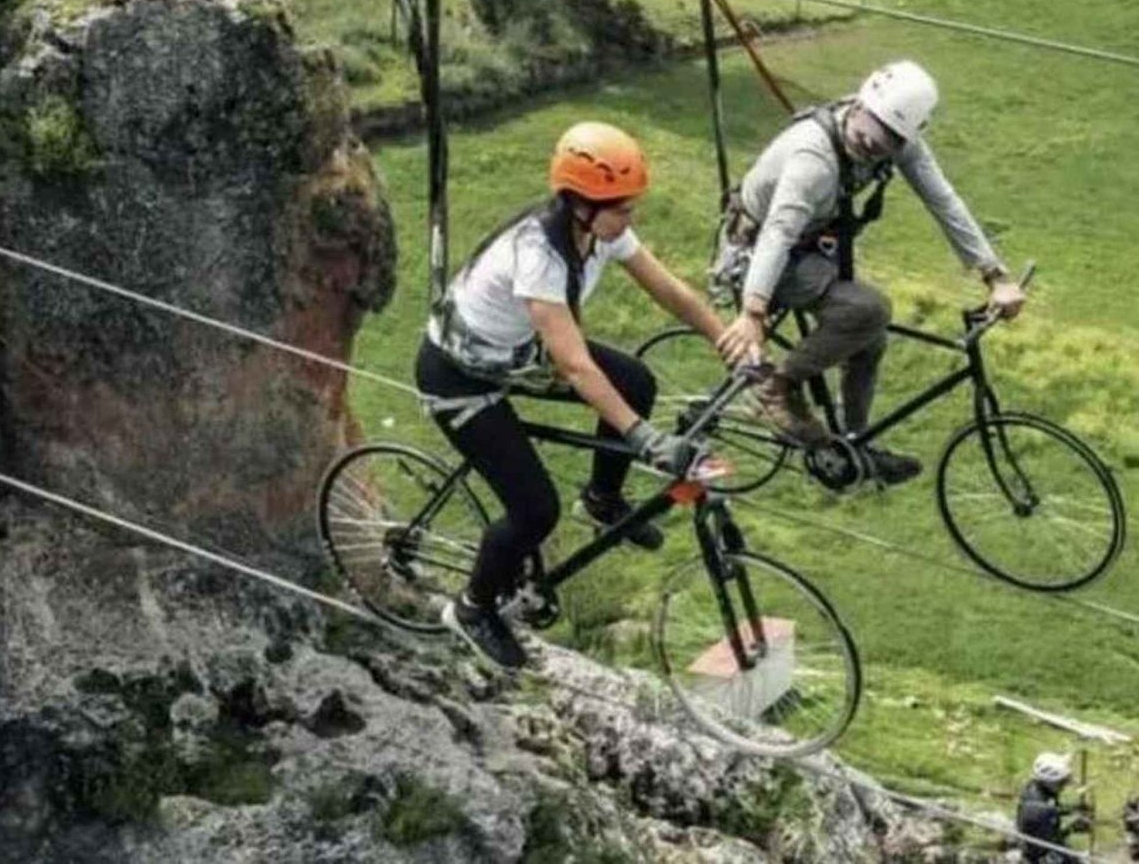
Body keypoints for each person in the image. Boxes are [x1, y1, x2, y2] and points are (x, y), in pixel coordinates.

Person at [416, 121, 729, 669]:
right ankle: (472, 609)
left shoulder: (598, 231)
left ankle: (603, 500)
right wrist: (644, 437)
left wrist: (727, 339)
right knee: (535, 510)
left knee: (636, 380)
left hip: (514, 357)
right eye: (621, 210)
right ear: (580, 203)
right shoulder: (539, 254)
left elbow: (671, 292)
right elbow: (576, 367)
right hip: (460, 378)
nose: (630, 220)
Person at [713, 60, 1026, 484]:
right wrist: (752, 313)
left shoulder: (899, 142)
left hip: (807, 248)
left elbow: (944, 201)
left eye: (884, 146)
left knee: (869, 337)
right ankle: (776, 387)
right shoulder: (813, 158)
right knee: (870, 309)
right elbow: (777, 232)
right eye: (866, 137)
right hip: (757, 254)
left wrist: (994, 275)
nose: (870, 149)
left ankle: (853, 444)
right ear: (859, 105)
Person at [1015, 752, 1090, 863]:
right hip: (1039, 857)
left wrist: (1074, 809)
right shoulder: (1041, 811)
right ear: (1050, 782)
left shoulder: (1033, 788)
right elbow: (1049, 843)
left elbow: (1054, 808)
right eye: (1061, 783)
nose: (1064, 787)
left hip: (1036, 840)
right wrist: (1073, 829)